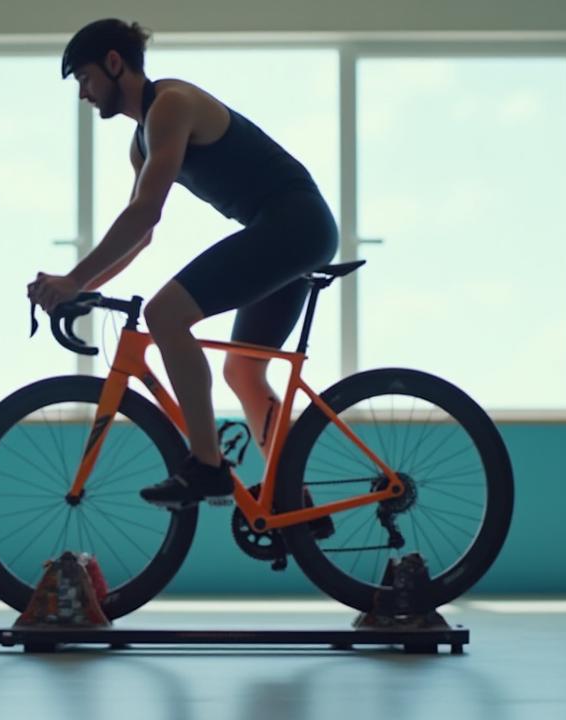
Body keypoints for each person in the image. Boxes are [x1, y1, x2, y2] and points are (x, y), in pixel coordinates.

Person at [29, 19, 340, 510]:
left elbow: (145, 211)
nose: (83, 95)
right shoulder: (141, 142)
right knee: (243, 371)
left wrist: (72, 279)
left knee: (166, 315)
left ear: (115, 64)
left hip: (294, 224)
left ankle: (207, 466)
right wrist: (83, 288)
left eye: (85, 79)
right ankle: (291, 500)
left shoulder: (171, 104)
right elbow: (143, 234)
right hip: (286, 231)